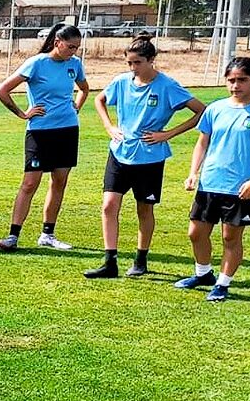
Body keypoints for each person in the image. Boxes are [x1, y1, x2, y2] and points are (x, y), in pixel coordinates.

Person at [84, 37, 204, 278]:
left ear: (151, 60)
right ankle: (110, 262)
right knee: (109, 205)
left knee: (144, 210)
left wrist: (167, 134)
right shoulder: (121, 81)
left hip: (149, 158)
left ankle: (141, 259)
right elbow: (99, 99)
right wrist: (109, 127)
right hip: (119, 153)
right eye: (129, 62)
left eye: (137, 62)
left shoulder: (167, 86)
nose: (132, 68)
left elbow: (202, 111)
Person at [0, 23, 90, 251]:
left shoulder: (75, 64)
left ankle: (48, 234)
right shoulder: (37, 63)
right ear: (57, 43)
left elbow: (85, 89)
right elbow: (2, 91)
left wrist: (75, 107)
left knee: (59, 181)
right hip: (39, 132)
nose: (73, 51)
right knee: (30, 183)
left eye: (77, 47)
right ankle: (13, 236)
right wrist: (23, 113)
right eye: (70, 46)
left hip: (67, 131)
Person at [173, 57, 250, 302]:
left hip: (241, 188)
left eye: (241, 80)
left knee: (230, 237)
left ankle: (223, 283)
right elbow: (203, 142)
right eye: (231, 80)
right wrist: (193, 172)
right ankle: (203, 274)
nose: (235, 85)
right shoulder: (215, 109)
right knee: (195, 233)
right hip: (210, 183)